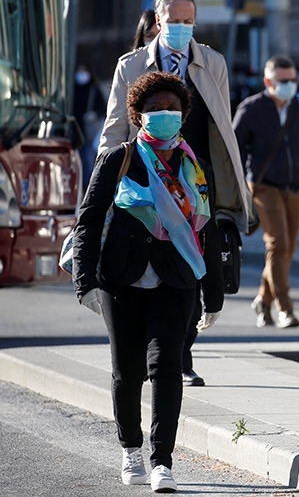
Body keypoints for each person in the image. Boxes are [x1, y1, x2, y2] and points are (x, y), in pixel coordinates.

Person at [72, 71, 223, 492]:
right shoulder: (119, 158)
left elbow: (205, 231)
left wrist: (213, 296)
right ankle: (130, 450)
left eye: (172, 109)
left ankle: (162, 462)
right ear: (138, 115)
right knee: (127, 372)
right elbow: (88, 221)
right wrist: (84, 281)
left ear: (183, 114)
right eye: (155, 109)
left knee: (167, 369)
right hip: (122, 279)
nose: (164, 115)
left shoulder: (196, 168)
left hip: (177, 280)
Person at [100, 0, 254, 387]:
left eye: (189, 22)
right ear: (157, 22)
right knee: (154, 265)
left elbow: (221, 126)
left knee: (191, 265)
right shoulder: (131, 66)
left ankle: (180, 356)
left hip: (197, 180)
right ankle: (158, 352)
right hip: (146, 182)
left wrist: (230, 189)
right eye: (175, 22)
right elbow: (114, 128)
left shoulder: (212, 63)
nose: (183, 29)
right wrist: (107, 178)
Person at [234, 55, 299, 328]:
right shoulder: (251, 108)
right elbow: (235, 148)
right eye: (283, 81)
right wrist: (246, 181)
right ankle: (285, 308)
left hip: (298, 188)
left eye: (293, 79)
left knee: (288, 249)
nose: (290, 85)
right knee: (277, 245)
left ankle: (263, 299)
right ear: (268, 81)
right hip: (265, 186)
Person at [73, 63, 107, 190]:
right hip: (73, 130)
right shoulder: (72, 89)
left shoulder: (93, 89)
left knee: (87, 161)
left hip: (87, 132)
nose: (82, 74)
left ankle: (88, 188)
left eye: (84, 70)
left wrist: (93, 115)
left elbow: (103, 108)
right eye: (79, 70)